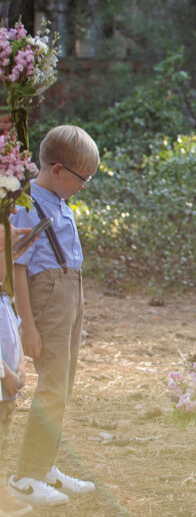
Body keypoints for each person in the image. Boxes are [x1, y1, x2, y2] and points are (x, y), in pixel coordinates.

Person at [8, 125, 99, 508]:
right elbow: (16, 268)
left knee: (63, 387)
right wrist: (28, 326)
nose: (84, 185)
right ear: (58, 169)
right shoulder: (28, 203)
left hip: (70, 293)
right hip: (47, 297)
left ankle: (44, 466)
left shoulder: (60, 201)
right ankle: (25, 475)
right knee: (50, 389)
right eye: (83, 178)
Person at [0, 224, 35, 517]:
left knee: (3, 442)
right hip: (2, 385)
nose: (9, 262)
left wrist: (21, 365)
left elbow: (15, 334)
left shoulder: (4, 299)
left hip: (7, 392)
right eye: (3, 255)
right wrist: (6, 374)